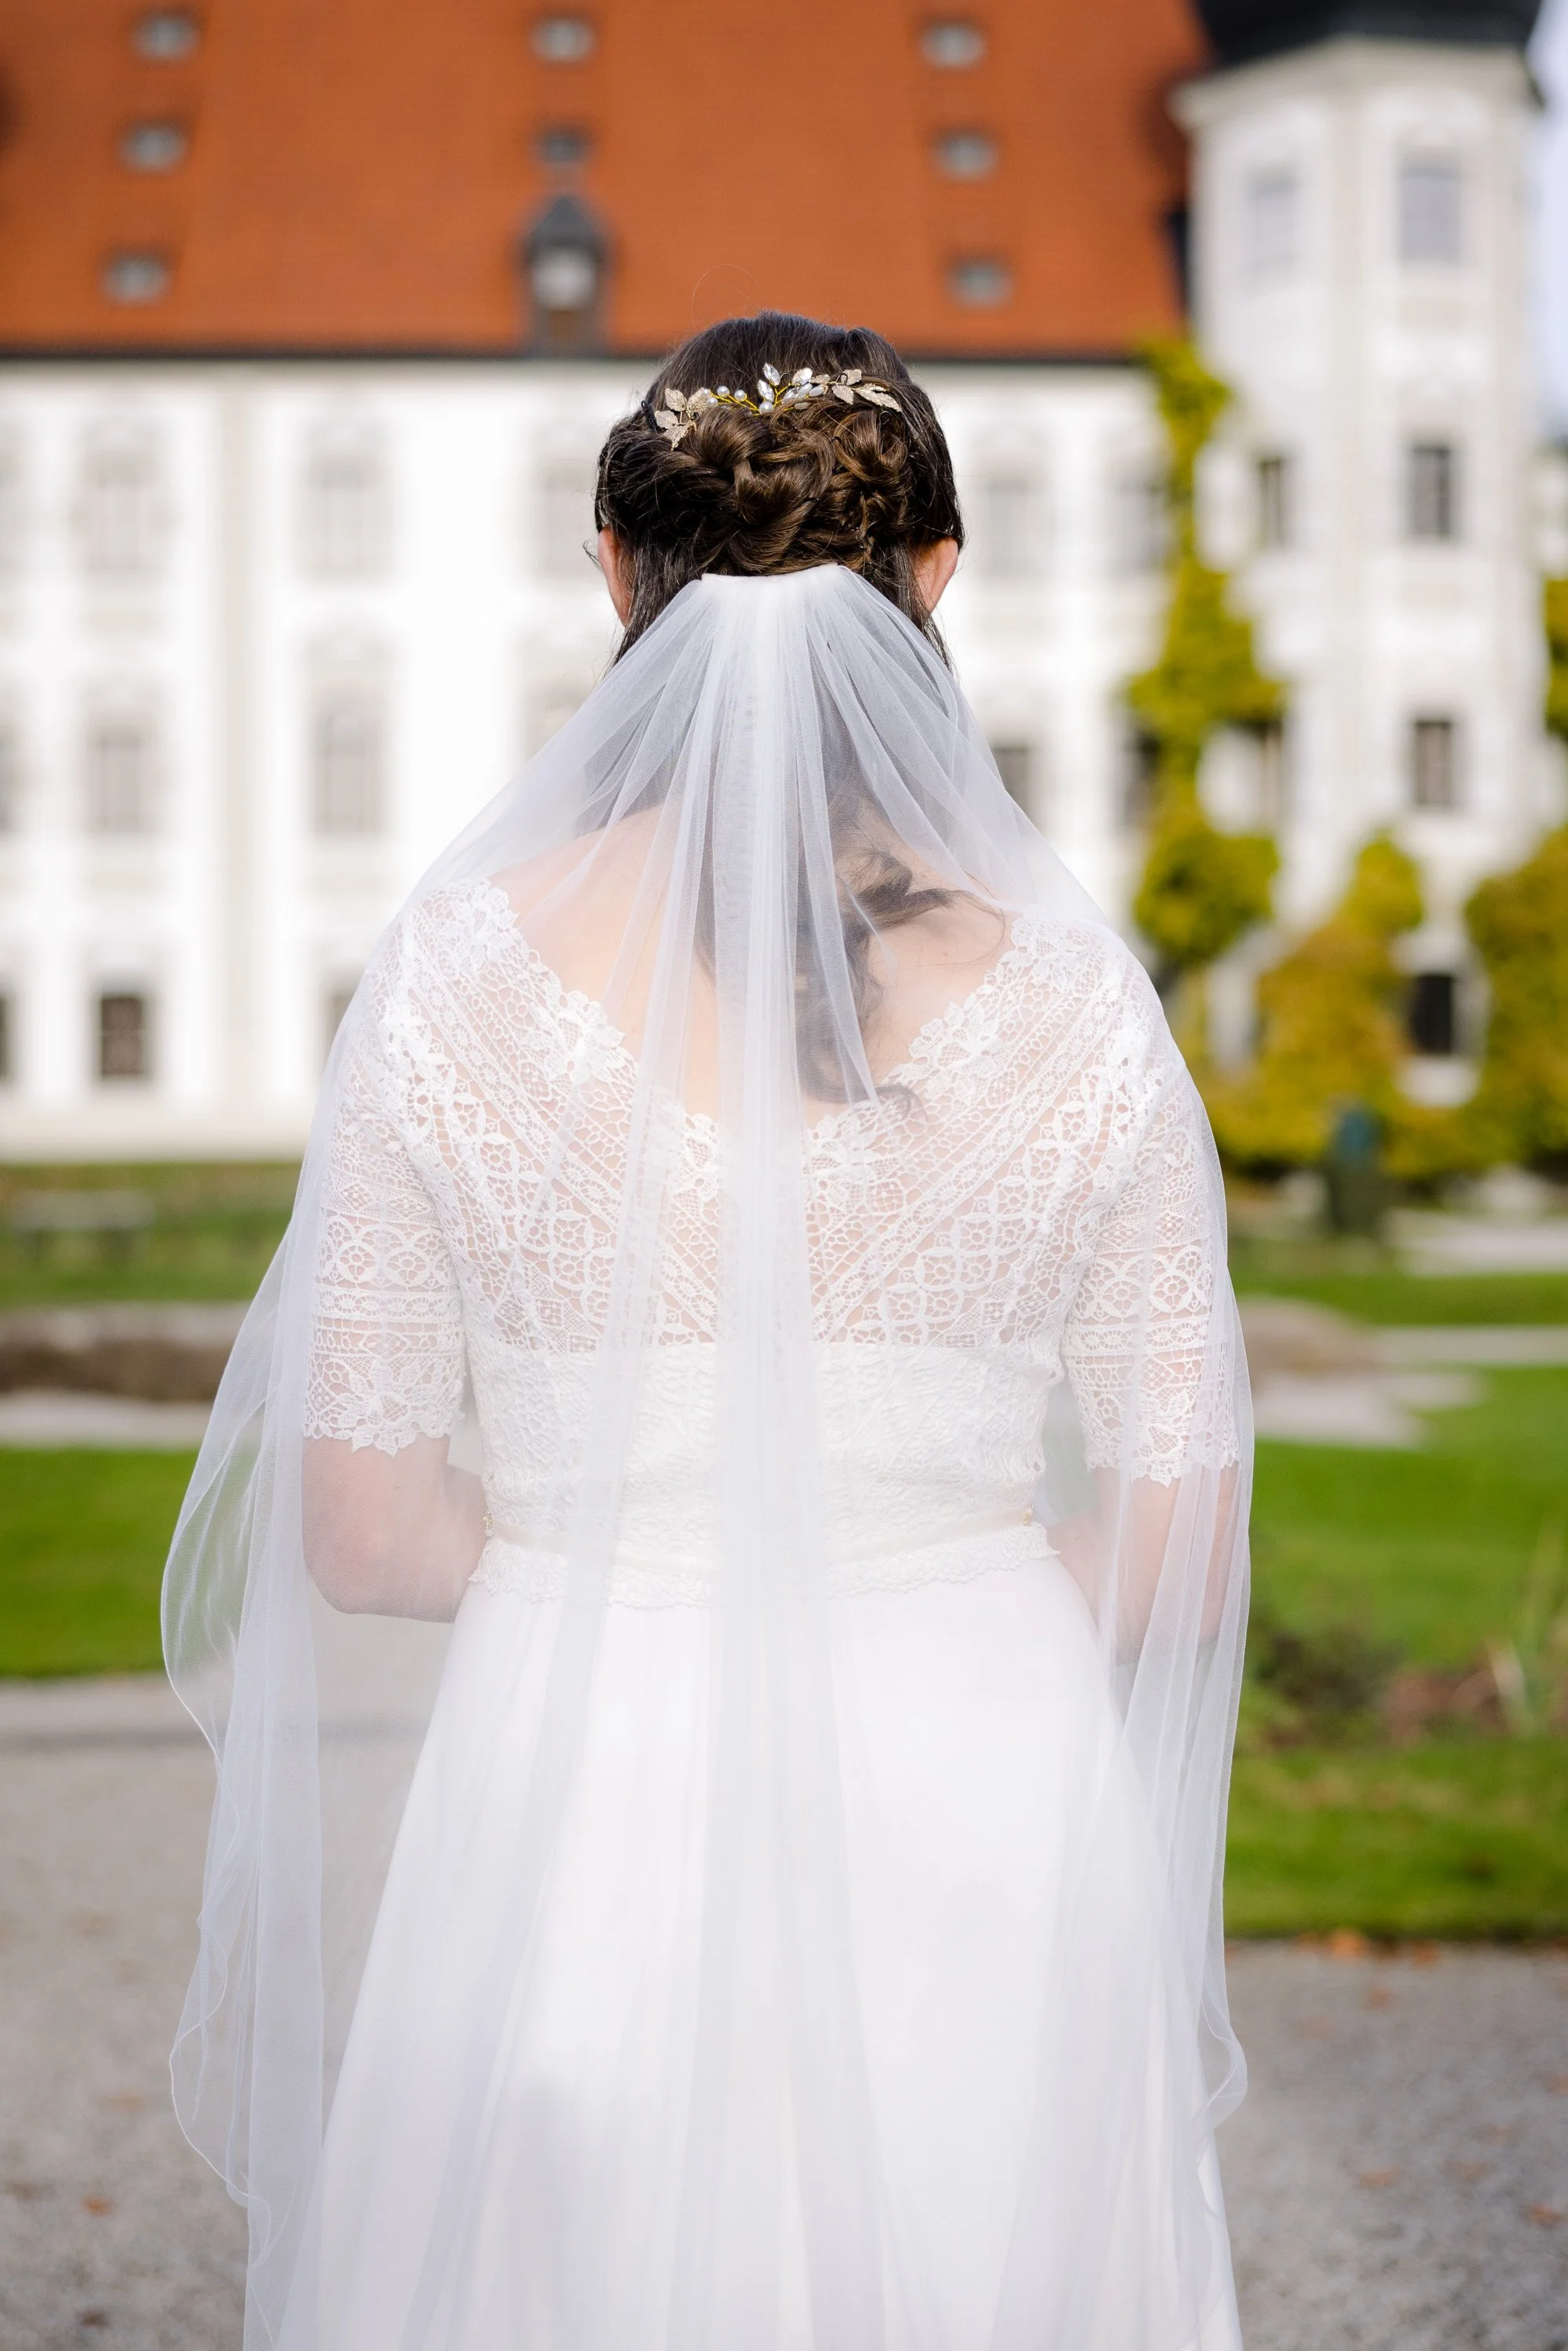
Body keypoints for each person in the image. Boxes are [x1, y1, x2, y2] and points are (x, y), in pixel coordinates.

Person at [164, 311, 1252, 2351]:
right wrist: (955, 1578)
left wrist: (615, 1566)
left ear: (611, 571)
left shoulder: (452, 979)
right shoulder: (1087, 1006)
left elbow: (360, 1529)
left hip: (577, 1815)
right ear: (936, 577)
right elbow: (1185, 1545)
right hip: (988, 1800)